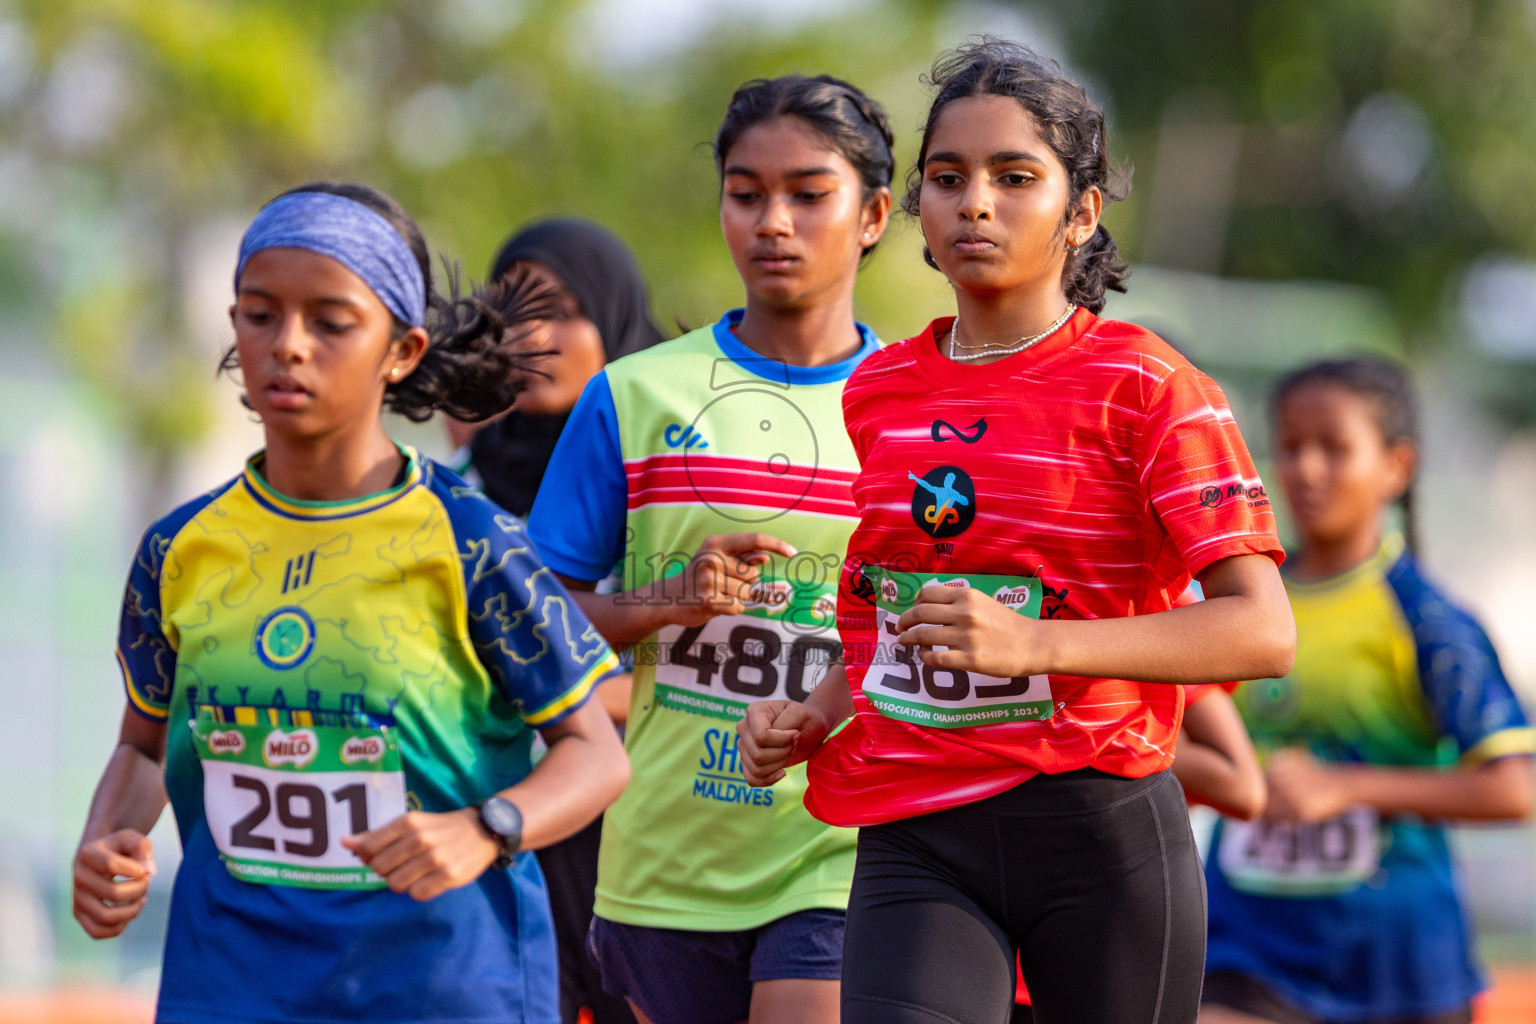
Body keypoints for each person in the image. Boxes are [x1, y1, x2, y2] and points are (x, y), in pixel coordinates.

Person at [736, 39, 1295, 1024]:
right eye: (946, 178)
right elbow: (888, 610)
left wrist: (1038, 645)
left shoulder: (1149, 387)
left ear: (1081, 212)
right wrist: (814, 712)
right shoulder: (880, 390)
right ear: (915, 211)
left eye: (1014, 176)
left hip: (1098, 835)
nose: (974, 203)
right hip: (916, 834)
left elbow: (1260, 630)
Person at [70, 182, 630, 1024]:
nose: (288, 347)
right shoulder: (178, 550)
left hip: (441, 989)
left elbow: (595, 754)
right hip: (230, 983)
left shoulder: (472, 542)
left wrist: (487, 828)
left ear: (401, 350)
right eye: (260, 315)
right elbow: (146, 751)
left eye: (331, 322)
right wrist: (107, 839)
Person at [526, 75, 895, 1024]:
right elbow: (530, 627)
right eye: (746, 192)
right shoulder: (635, 396)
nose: (774, 221)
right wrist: (671, 604)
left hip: (841, 846)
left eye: (810, 194)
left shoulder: (917, 409)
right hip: (663, 860)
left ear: (875, 215)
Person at [1200, 357, 1536, 1024]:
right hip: (1245, 947)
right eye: (1291, 447)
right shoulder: (1235, 606)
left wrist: (1345, 786)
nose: (1305, 470)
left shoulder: (1429, 619)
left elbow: (1515, 789)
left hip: (1398, 968)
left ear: (1397, 466)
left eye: (1334, 447)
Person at [476, 218, 666, 1024]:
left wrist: (575, 696)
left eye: (555, 310)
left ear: (610, 314)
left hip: (661, 828)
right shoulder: (459, 488)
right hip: (505, 827)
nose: (528, 338)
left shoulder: (675, 471)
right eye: (508, 314)